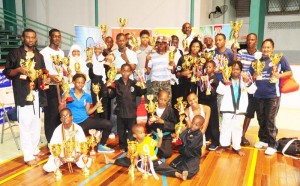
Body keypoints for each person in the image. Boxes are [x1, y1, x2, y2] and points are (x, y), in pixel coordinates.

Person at [3, 28, 47, 166]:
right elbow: (7, 72)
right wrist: (18, 70)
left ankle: (34, 149)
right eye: (28, 37)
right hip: (23, 93)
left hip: (37, 93)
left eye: (33, 37)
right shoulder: (15, 53)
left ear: (36, 39)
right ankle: (28, 156)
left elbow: (43, 72)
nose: (30, 40)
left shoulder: (39, 56)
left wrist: (44, 79)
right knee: (25, 125)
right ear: (23, 38)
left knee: (35, 124)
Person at [104, 123, 196, 181]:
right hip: (142, 162)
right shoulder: (135, 144)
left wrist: (160, 137)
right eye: (140, 133)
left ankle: (179, 174)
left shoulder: (148, 139)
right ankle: (110, 161)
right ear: (135, 135)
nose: (143, 134)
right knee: (127, 161)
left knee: (165, 168)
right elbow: (135, 156)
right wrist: (134, 162)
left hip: (153, 161)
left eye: (143, 132)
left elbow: (159, 145)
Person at [252, 38, 292, 155]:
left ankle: (272, 144)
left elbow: (289, 72)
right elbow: (252, 75)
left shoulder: (279, 59)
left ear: (272, 49)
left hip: (272, 95)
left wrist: (278, 75)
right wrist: (254, 74)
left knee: (270, 119)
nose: (266, 49)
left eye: (268, 47)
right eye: (264, 47)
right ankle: (263, 140)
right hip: (258, 94)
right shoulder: (258, 60)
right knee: (261, 118)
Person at [59, 73, 114, 153]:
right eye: (78, 82)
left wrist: (96, 106)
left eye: (82, 82)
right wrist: (63, 99)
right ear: (74, 82)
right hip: (73, 123)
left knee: (108, 124)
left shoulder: (87, 96)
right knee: (75, 148)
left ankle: (101, 145)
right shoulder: (67, 93)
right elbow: (61, 110)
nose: (80, 84)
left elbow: (88, 112)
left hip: (85, 120)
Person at [216, 61, 257, 156]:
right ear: (230, 70)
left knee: (237, 128)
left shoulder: (244, 81)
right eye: (233, 69)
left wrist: (248, 82)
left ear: (241, 71)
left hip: (240, 109)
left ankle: (236, 147)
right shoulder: (226, 80)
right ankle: (223, 145)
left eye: (237, 69)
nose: (235, 71)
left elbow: (253, 91)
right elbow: (219, 91)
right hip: (227, 108)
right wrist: (224, 82)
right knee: (225, 127)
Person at [108, 64, 147, 152]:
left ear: (130, 72)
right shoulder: (116, 83)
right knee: (121, 131)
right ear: (121, 71)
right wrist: (109, 87)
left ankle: (131, 144)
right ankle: (122, 145)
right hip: (120, 111)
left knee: (131, 130)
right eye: (124, 70)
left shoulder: (134, 83)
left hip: (131, 111)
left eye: (127, 71)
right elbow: (111, 95)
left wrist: (142, 82)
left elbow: (142, 91)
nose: (125, 72)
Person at [233, 33, 261, 146]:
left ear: (256, 41)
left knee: (249, 111)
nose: (250, 42)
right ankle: (234, 133)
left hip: (251, 86)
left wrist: (256, 73)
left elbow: (260, 69)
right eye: (248, 40)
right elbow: (236, 64)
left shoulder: (259, 55)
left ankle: (242, 135)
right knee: (237, 110)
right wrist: (234, 52)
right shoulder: (241, 52)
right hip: (239, 85)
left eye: (253, 40)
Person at [43, 108, 92, 172]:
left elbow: (83, 143)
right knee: (48, 168)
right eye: (63, 116)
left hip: (76, 155)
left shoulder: (78, 128)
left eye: (67, 115)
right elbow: (53, 145)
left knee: (86, 164)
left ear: (72, 117)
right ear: (60, 119)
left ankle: (78, 160)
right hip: (62, 155)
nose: (65, 117)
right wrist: (60, 157)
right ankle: (60, 163)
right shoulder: (57, 130)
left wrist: (79, 154)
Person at [40, 28, 65, 143]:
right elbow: (41, 70)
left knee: (59, 113)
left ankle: (57, 139)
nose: (57, 38)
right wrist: (51, 76)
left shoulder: (61, 52)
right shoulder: (44, 53)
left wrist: (65, 72)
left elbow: (60, 67)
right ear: (49, 37)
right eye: (54, 36)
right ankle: (51, 141)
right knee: (51, 114)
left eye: (59, 36)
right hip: (49, 87)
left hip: (60, 86)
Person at [169, 115, 205, 180]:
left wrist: (180, 141)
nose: (193, 126)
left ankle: (188, 171)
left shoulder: (199, 134)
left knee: (191, 171)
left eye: (196, 125)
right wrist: (176, 141)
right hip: (184, 155)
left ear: (201, 126)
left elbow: (190, 144)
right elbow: (181, 138)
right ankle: (184, 171)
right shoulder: (187, 130)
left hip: (193, 157)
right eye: (193, 123)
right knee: (172, 165)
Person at [146, 90, 177, 158]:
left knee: (167, 153)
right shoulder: (151, 108)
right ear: (157, 98)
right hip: (154, 135)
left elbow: (174, 126)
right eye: (161, 99)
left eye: (165, 100)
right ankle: (156, 148)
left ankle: (158, 148)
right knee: (145, 150)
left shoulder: (170, 111)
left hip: (165, 136)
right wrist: (149, 123)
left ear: (168, 100)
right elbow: (147, 127)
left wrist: (163, 122)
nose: (162, 102)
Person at [198, 61, 220, 150]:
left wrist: (207, 83)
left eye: (210, 67)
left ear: (214, 68)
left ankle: (215, 141)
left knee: (213, 122)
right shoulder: (203, 77)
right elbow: (200, 89)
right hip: (203, 101)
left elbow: (214, 92)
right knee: (204, 119)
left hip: (211, 103)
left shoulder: (215, 79)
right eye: (206, 67)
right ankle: (206, 137)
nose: (207, 68)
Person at [145, 35, 173, 104]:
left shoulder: (170, 54)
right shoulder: (152, 55)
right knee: (154, 104)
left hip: (166, 82)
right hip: (155, 82)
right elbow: (147, 72)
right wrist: (146, 61)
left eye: (163, 43)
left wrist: (173, 65)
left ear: (166, 44)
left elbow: (173, 70)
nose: (161, 44)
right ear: (156, 44)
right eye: (159, 42)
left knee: (167, 104)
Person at [176, 38, 203, 102]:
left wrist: (201, 75)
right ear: (190, 47)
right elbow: (177, 73)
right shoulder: (182, 58)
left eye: (197, 47)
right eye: (193, 46)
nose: (195, 48)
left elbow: (205, 73)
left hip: (197, 87)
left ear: (200, 48)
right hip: (184, 86)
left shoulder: (202, 60)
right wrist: (182, 73)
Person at [88, 43, 110, 120]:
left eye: (99, 49)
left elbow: (108, 74)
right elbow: (90, 75)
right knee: (95, 103)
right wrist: (90, 66)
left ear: (102, 50)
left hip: (103, 82)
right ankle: (97, 124)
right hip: (94, 81)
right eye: (96, 49)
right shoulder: (90, 59)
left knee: (104, 103)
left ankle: (105, 123)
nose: (97, 50)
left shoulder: (105, 59)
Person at [170, 35, 184, 107]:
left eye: (176, 42)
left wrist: (176, 69)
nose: (174, 44)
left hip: (178, 80)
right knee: (169, 100)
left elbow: (182, 65)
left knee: (178, 100)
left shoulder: (181, 52)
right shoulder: (166, 52)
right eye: (173, 42)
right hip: (168, 80)